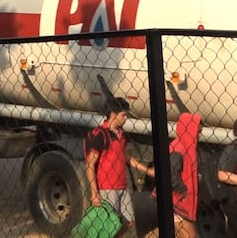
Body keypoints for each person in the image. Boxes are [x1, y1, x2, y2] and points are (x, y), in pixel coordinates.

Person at [85, 97, 152, 238]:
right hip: (107, 188)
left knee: (128, 222)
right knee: (109, 226)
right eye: (123, 115)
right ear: (113, 114)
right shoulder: (101, 135)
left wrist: (147, 170)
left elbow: (127, 158)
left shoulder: (121, 134)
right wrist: (94, 193)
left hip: (122, 187)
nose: (126, 118)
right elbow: (90, 164)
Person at [146, 112, 202, 238]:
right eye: (197, 131)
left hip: (175, 199)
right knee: (189, 235)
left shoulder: (189, 147)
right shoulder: (179, 148)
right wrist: (184, 190)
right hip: (175, 199)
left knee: (174, 231)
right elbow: (169, 173)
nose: (199, 135)